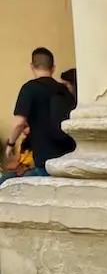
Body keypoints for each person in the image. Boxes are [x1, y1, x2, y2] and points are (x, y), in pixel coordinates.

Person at [1, 48, 75, 186]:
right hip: (68, 155)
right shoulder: (64, 90)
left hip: (45, 157)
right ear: (53, 68)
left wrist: (10, 144)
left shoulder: (30, 88)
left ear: (32, 66)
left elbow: (19, 123)